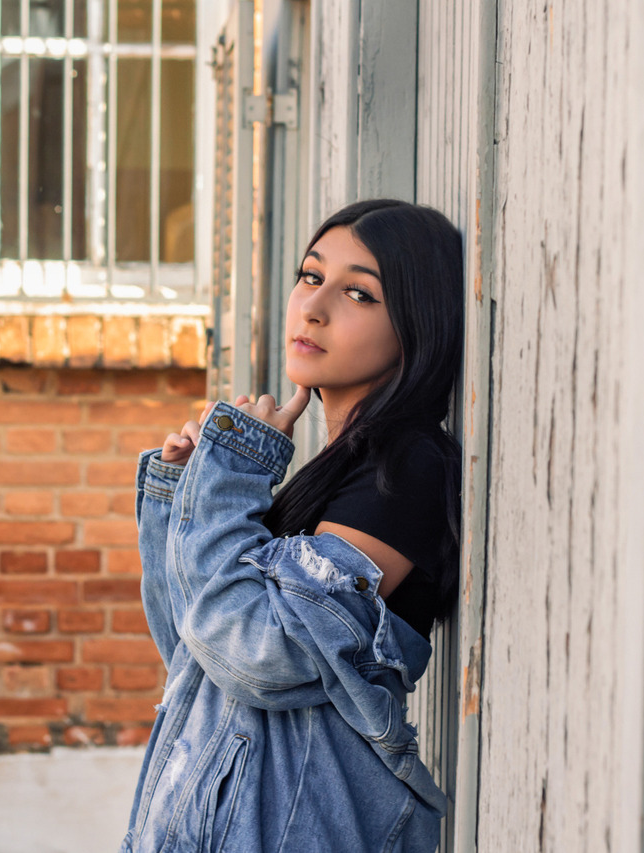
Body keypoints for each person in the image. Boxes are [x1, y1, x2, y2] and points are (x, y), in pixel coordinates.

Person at [122, 199, 463, 853]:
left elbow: (260, 654)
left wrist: (231, 480)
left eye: (359, 292)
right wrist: (185, 490)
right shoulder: (331, 473)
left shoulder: (405, 467)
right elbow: (197, 657)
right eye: (312, 276)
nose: (315, 306)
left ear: (417, 323)